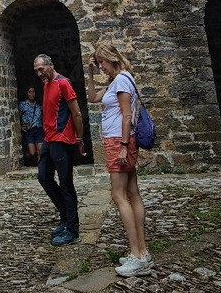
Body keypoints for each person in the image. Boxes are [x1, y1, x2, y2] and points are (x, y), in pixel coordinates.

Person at [86, 44, 152, 277]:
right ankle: (142, 253)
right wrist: (91, 74)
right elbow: (92, 97)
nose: (101, 67)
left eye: (102, 63)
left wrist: (123, 146)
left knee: (119, 195)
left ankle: (137, 254)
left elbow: (126, 115)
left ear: (111, 59)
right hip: (119, 141)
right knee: (132, 192)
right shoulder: (117, 81)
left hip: (119, 141)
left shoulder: (122, 80)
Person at [33, 54, 86, 246]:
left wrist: (79, 139)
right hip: (48, 139)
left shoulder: (63, 83)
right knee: (43, 177)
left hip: (62, 139)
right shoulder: (47, 84)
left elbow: (76, 113)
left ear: (50, 66)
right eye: (36, 70)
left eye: (42, 69)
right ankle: (65, 217)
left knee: (65, 183)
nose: (39, 73)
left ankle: (73, 229)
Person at [19, 86, 43, 166]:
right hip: (29, 131)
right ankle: (26, 156)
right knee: (32, 153)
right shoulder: (23, 105)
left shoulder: (39, 105)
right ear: (27, 93)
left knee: (40, 150)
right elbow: (18, 117)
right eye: (30, 92)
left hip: (39, 129)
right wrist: (20, 127)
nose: (32, 94)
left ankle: (41, 168)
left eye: (33, 92)